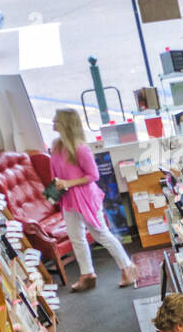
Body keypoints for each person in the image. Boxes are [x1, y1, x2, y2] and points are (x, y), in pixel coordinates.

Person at [48, 109, 136, 292]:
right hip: (68, 199)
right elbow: (55, 174)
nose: (53, 122)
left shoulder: (80, 149)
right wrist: (55, 188)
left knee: (100, 234)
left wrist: (68, 183)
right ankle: (87, 275)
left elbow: (93, 175)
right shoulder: (56, 146)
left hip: (86, 198)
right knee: (76, 238)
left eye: (56, 119)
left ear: (66, 123)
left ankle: (128, 268)